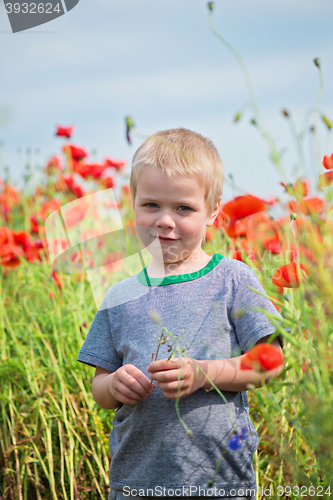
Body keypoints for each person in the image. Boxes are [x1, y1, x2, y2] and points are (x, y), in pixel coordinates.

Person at [76, 128, 285, 500]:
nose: (165, 221)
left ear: (214, 209)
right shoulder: (119, 296)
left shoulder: (232, 279)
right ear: (133, 201)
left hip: (220, 482)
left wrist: (203, 374)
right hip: (136, 482)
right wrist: (115, 386)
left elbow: (270, 363)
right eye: (152, 205)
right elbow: (100, 388)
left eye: (183, 208)